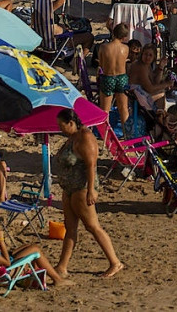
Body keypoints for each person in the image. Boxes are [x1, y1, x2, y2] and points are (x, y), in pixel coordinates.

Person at [54, 109, 123, 278]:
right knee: (70, 228)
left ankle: (115, 262)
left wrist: (91, 190)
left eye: (62, 125)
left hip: (81, 187)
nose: (60, 129)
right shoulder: (72, 137)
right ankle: (62, 266)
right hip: (69, 187)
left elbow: (91, 165)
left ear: (71, 123)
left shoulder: (86, 138)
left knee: (92, 226)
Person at [0, 217, 66, 286]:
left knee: (27, 246)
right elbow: (7, 263)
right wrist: (1, 240)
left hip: (0, 262)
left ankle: (36, 278)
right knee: (35, 249)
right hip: (7, 271)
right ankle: (57, 280)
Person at [96, 23, 131, 132]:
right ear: (124, 37)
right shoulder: (126, 48)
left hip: (108, 77)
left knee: (105, 110)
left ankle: (104, 135)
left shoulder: (103, 47)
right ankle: (126, 135)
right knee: (123, 109)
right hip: (122, 78)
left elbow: (101, 65)